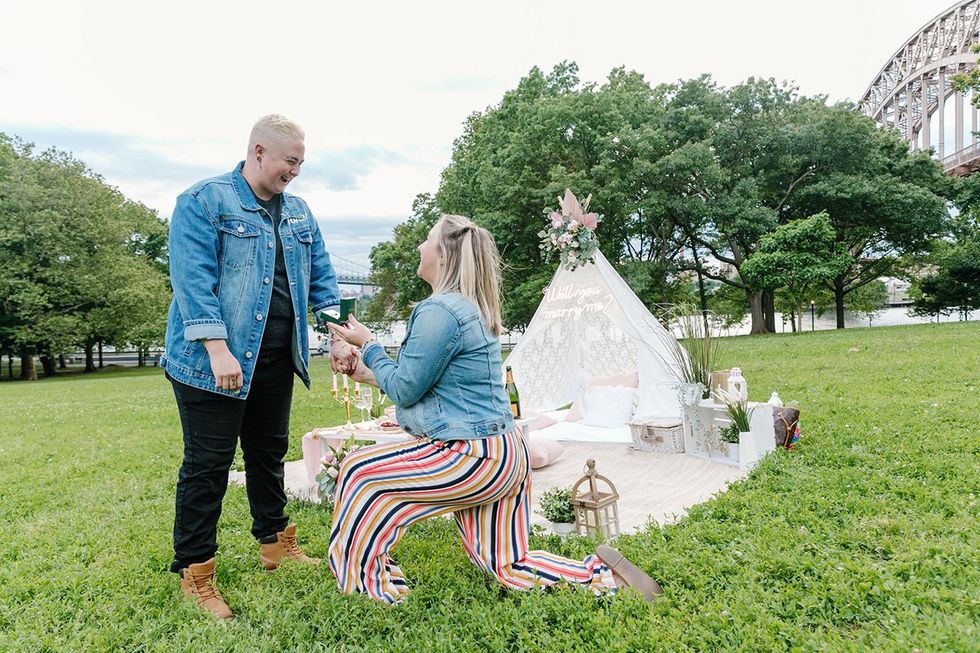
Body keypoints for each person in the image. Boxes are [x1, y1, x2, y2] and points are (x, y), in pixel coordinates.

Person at [326, 214, 664, 604]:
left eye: (426, 239)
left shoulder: (438, 310)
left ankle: (369, 592)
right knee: (506, 562)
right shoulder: (468, 308)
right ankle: (605, 577)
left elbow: (403, 387)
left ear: (443, 254)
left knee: (360, 473)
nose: (419, 246)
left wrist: (369, 343)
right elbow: (419, 380)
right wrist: (363, 369)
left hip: (470, 456)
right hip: (506, 455)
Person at [161, 114, 355, 619]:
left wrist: (336, 336)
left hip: (274, 359)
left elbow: (324, 280)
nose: (296, 171)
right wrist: (217, 348)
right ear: (259, 152)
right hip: (212, 364)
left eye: (301, 163)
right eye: (291, 161)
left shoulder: (300, 213)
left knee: (268, 455)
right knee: (208, 467)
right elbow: (192, 281)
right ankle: (196, 572)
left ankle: (276, 546)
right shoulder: (203, 201)